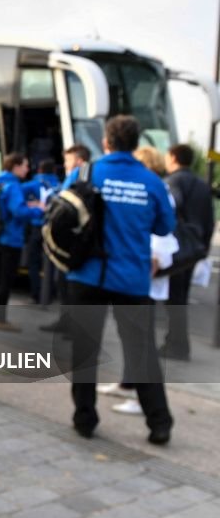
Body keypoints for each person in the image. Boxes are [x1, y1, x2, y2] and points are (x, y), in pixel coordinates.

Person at [64, 116, 175, 445]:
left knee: (85, 349)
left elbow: (61, 212)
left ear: (106, 143)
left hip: (86, 274)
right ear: (135, 144)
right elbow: (165, 227)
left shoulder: (85, 172)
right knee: (141, 353)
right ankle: (159, 423)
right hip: (131, 278)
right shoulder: (152, 182)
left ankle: (85, 418)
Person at [102, 146, 178, 417]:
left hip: (144, 274)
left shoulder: (155, 189)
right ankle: (127, 383)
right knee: (130, 336)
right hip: (138, 273)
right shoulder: (155, 187)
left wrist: (150, 267)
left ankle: (140, 398)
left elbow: (162, 236)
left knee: (140, 339)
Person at [160, 143, 214, 361]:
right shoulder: (202, 185)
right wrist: (203, 248)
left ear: (173, 157)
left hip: (176, 249)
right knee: (180, 298)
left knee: (174, 299)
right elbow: (209, 221)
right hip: (194, 249)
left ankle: (177, 345)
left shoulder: (173, 181)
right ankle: (177, 342)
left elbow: (169, 211)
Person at [0, 153, 44, 330]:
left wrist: (27, 205)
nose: (27, 169)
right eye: (25, 165)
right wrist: (39, 210)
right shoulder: (13, 186)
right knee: (6, 279)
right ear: (16, 166)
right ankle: (1, 320)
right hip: (11, 238)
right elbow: (19, 212)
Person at [41, 144, 90, 334]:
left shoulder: (80, 174)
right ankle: (67, 322)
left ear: (79, 160)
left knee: (66, 282)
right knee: (64, 283)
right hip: (74, 236)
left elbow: (65, 202)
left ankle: (69, 324)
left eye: (68, 160)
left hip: (70, 238)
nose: (65, 164)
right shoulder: (84, 174)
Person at [22, 158, 60, 303]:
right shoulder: (60, 185)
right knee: (50, 261)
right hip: (53, 227)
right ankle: (49, 293)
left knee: (34, 261)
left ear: (39, 170)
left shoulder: (32, 184)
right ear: (55, 171)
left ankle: (35, 293)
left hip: (36, 227)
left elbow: (17, 198)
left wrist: (32, 204)